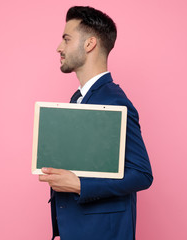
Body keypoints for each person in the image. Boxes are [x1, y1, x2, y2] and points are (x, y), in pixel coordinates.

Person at [39, 6, 153, 240]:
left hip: (102, 232)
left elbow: (142, 174)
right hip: (79, 229)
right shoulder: (78, 98)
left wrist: (80, 184)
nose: (59, 48)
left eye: (66, 39)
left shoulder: (114, 101)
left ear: (90, 44)